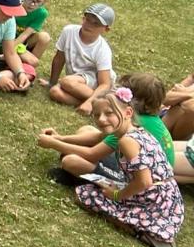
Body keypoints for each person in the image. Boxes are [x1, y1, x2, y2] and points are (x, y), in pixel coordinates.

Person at [72, 89, 184, 247]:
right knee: (97, 189)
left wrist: (117, 195)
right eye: (96, 115)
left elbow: (144, 182)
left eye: (109, 113)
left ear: (128, 112)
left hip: (154, 202)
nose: (101, 119)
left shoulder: (126, 141)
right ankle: (153, 227)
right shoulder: (139, 131)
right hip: (171, 201)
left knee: (85, 195)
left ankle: (139, 230)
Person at [39, 72, 176, 184]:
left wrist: (54, 144)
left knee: (71, 161)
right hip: (136, 168)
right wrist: (61, 138)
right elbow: (100, 137)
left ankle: (87, 180)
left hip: (137, 182)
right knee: (86, 129)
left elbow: (91, 154)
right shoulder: (148, 118)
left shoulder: (135, 123)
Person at [48, 3, 115, 113]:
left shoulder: (103, 49)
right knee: (54, 92)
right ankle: (97, 105)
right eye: (87, 20)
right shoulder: (68, 31)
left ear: (106, 29)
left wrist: (89, 101)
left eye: (96, 24)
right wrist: (52, 82)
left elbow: (105, 84)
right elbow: (59, 59)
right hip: (77, 80)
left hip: (96, 82)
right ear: (83, 18)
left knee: (67, 82)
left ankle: (100, 101)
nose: (89, 25)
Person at [14, 0, 53, 71]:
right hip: (6, 39)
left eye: (38, 1)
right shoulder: (15, 5)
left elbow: (26, 34)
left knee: (45, 37)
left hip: (23, 42)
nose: (32, 4)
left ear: (44, 2)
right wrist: (9, 50)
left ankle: (27, 68)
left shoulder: (41, 13)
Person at [162, 70, 194, 141]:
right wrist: (189, 94)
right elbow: (166, 99)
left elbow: (190, 107)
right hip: (166, 118)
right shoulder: (192, 78)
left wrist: (182, 93)